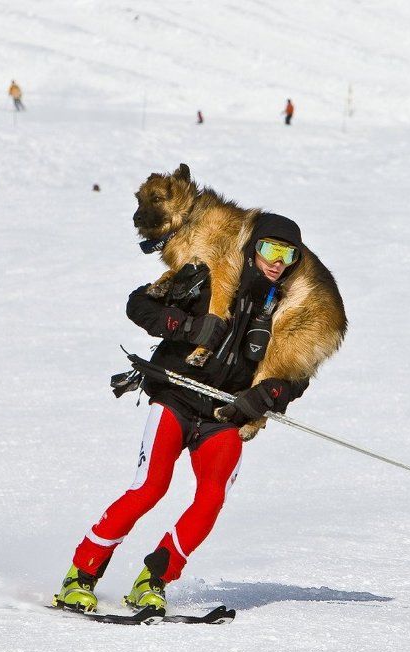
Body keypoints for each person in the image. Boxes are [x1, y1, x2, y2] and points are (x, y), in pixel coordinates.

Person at [54, 214, 330, 614]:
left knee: (210, 499)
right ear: (252, 247)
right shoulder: (207, 277)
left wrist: (268, 394)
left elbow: (296, 375)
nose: (277, 262)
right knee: (151, 488)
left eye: (289, 255)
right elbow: (140, 304)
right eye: (270, 249)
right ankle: (81, 575)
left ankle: (155, 579)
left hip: (225, 414)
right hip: (176, 400)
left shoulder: (290, 310)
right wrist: (186, 327)